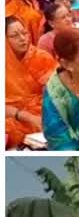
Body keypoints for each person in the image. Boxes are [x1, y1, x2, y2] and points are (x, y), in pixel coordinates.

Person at [5, 17, 58, 149]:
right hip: (13, 115)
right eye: (15, 36)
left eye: (24, 33)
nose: (22, 38)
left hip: (41, 110)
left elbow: (57, 92)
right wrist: (26, 117)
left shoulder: (40, 57)